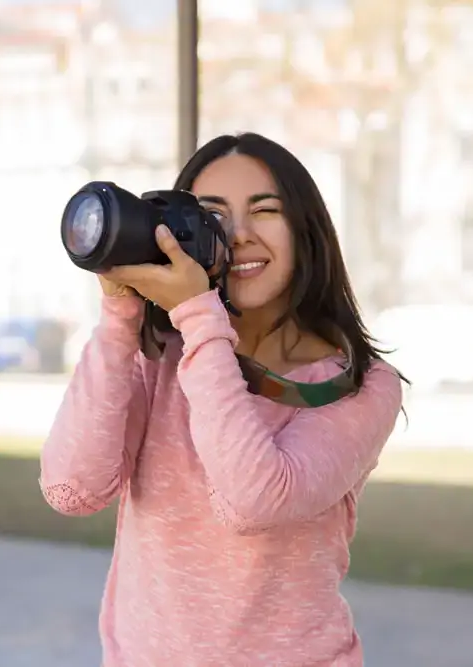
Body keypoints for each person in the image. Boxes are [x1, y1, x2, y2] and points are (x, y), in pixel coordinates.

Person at [40, 132, 405, 666]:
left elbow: (253, 500)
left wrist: (198, 319)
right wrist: (121, 317)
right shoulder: (157, 356)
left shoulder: (359, 384)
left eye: (266, 210)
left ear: (307, 230)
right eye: (212, 216)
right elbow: (72, 489)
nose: (238, 235)